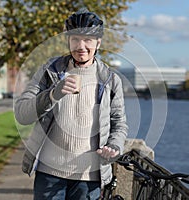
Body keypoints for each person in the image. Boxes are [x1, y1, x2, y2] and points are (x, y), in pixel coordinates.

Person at [14, 8, 128, 200]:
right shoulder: (49, 72)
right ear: (68, 41)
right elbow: (22, 114)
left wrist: (114, 145)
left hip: (88, 175)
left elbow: (119, 123)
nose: (81, 46)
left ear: (98, 43)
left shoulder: (110, 80)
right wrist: (52, 94)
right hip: (49, 173)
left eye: (88, 40)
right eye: (75, 39)